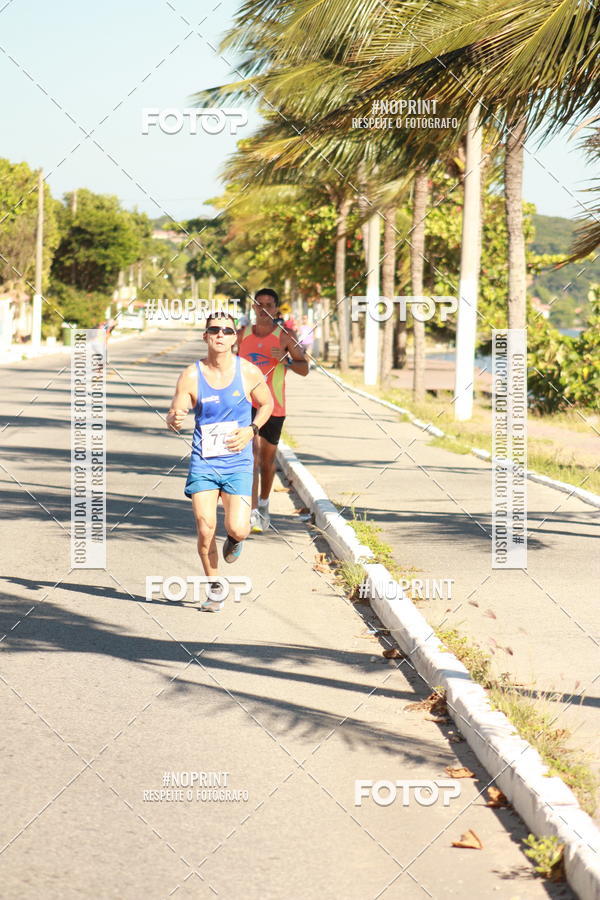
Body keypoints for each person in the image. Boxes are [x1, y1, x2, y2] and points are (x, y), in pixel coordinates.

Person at [167, 311, 273, 611]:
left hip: (237, 462)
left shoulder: (248, 372)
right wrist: (175, 418)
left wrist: (252, 430)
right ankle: (215, 588)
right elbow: (176, 412)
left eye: (227, 330)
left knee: (238, 528)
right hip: (204, 462)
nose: (221, 335)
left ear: (234, 337)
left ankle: (236, 541)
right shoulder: (191, 374)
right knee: (205, 527)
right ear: (206, 336)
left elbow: (267, 404)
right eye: (214, 330)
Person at [238, 288, 309, 533]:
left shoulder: (285, 336)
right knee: (253, 458)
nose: (264, 308)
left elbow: (304, 368)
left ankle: (265, 504)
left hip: (275, 406)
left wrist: (287, 361)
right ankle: (252, 512)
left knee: (267, 462)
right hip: (246, 406)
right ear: (254, 307)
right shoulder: (241, 335)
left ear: (276, 309)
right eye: (260, 304)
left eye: (269, 304)